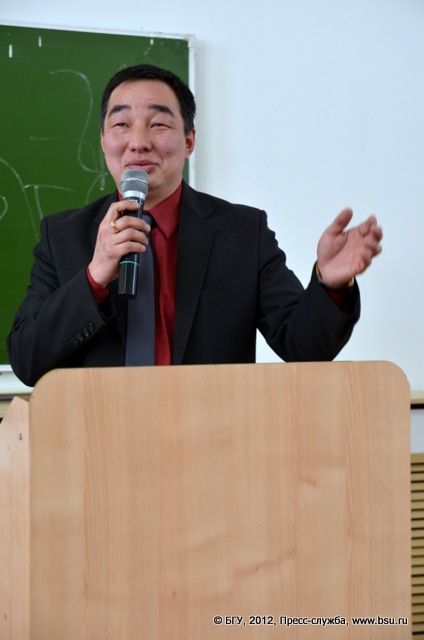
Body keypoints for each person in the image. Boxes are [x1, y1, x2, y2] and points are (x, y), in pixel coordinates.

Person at [7, 64, 382, 388]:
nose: (138, 142)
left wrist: (331, 285)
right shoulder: (62, 236)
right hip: (99, 439)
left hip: (212, 438)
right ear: (104, 142)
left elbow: (303, 347)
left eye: (158, 124)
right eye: (121, 124)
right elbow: (27, 360)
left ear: (189, 141)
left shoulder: (243, 232)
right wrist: (94, 278)